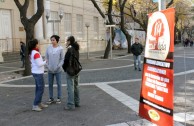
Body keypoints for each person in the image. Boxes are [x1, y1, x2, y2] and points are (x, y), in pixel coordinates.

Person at [29, 39, 48, 112]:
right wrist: (45, 61)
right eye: (38, 43)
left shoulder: (33, 52)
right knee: (40, 89)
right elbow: (39, 64)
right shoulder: (36, 53)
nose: (39, 45)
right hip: (38, 73)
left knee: (39, 89)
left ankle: (39, 103)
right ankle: (35, 105)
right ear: (36, 45)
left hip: (36, 72)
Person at [45, 35, 64, 104]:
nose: (52, 41)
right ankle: (51, 97)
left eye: (53, 40)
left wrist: (58, 66)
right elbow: (46, 58)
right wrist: (48, 66)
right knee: (50, 84)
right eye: (51, 40)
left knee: (59, 83)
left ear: (57, 40)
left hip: (58, 70)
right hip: (50, 70)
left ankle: (59, 97)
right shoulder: (48, 48)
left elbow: (62, 59)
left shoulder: (60, 49)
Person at [63, 36, 80, 110]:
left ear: (70, 41)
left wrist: (64, 68)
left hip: (70, 70)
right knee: (76, 87)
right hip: (77, 70)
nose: (66, 42)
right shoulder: (76, 49)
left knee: (70, 87)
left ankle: (70, 104)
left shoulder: (70, 49)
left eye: (67, 41)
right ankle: (77, 102)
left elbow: (66, 61)